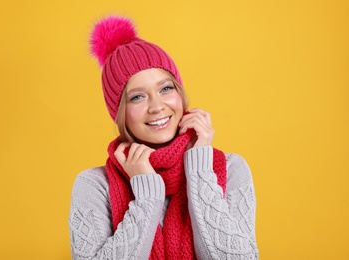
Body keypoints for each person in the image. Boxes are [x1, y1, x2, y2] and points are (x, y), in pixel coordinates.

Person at [69, 15, 259, 260]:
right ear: (119, 113)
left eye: (166, 88)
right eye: (137, 97)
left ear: (180, 93)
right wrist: (147, 196)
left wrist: (200, 168)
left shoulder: (231, 168)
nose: (157, 107)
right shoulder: (94, 185)